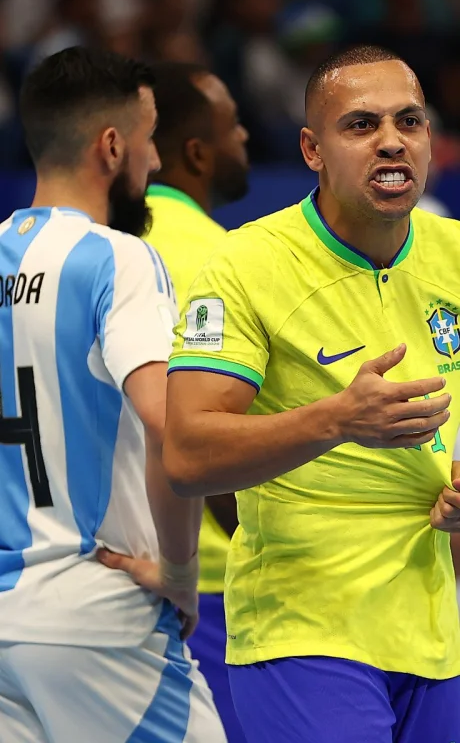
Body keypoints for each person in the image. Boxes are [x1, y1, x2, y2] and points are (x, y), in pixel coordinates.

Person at [103, 44, 460, 742]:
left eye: (409, 122)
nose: (391, 141)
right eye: (360, 125)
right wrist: (338, 419)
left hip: (436, 626)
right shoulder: (240, 265)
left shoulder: (454, 254)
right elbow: (189, 454)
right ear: (312, 149)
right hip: (305, 629)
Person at [0, 46, 226, 743]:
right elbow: (173, 431)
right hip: (99, 612)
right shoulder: (120, 258)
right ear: (111, 145)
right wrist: (182, 574)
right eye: (148, 137)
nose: (155, 161)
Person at [142, 61, 249, 743]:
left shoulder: (102, 247)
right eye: (233, 125)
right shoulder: (231, 261)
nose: (245, 136)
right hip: (207, 584)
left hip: (100, 565)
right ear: (197, 153)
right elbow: (212, 433)